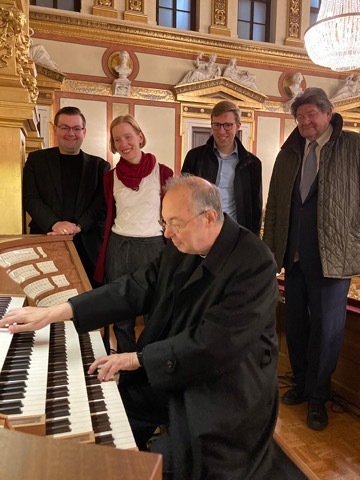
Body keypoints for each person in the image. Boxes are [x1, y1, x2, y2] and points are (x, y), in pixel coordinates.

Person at [1, 176, 306, 480]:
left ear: (210, 218)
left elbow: (216, 344)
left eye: (175, 223)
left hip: (225, 392)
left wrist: (137, 358)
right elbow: (134, 288)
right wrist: (58, 311)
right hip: (177, 369)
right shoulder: (181, 245)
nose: (168, 233)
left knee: (165, 465)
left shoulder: (254, 262)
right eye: (164, 222)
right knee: (108, 411)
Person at [263, 88, 360, 431]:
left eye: (311, 115)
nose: (305, 122)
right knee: (297, 326)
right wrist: (271, 252)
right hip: (295, 256)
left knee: (328, 331)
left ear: (329, 113)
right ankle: (302, 384)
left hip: (333, 257)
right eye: (299, 117)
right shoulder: (288, 152)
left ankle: (319, 396)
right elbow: (274, 204)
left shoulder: (352, 146)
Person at [93, 115, 173, 353]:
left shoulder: (163, 172)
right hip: (120, 247)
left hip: (154, 247)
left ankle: (149, 363)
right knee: (122, 311)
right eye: (117, 139)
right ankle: (126, 367)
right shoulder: (110, 177)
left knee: (154, 310)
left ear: (140, 136)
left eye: (128, 136)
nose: (124, 143)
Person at [23, 106, 110, 286]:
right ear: (55, 130)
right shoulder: (36, 160)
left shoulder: (99, 166)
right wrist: (55, 223)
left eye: (76, 128)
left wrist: (78, 226)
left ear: (84, 132)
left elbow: (100, 204)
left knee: (88, 303)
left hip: (87, 246)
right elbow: (30, 198)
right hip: (47, 239)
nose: (71, 133)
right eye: (65, 127)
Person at [181, 100, 262, 235]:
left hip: (236, 233)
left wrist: (253, 241)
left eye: (228, 125)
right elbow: (183, 197)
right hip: (201, 232)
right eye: (216, 125)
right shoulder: (194, 157)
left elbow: (255, 209)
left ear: (238, 126)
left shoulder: (252, 164)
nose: (221, 131)